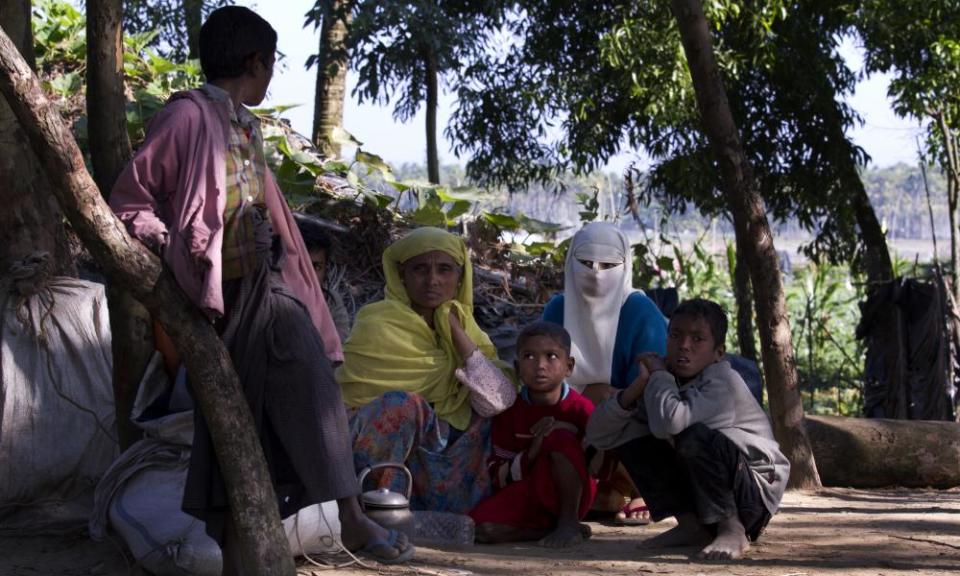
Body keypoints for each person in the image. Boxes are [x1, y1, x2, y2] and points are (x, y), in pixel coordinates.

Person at [108, 6, 413, 569]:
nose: (272, 76)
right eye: (271, 65)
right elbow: (130, 201)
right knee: (235, 425)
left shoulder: (245, 125)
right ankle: (249, 546)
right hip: (219, 299)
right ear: (254, 62)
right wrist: (173, 244)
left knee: (310, 380)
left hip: (264, 288)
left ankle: (347, 514)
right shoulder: (186, 118)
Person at [586, 299, 790, 560]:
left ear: (718, 352)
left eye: (697, 339)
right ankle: (690, 526)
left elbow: (670, 423)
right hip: (706, 498)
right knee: (630, 433)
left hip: (752, 499)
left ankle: (732, 529)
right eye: (675, 335)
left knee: (691, 433)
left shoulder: (723, 382)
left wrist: (658, 376)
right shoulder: (664, 381)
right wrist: (637, 387)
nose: (684, 345)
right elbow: (599, 434)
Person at [337, 226, 516, 513]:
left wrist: (454, 329)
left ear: (459, 278)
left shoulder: (467, 327)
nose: (432, 280)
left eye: (445, 270)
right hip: (371, 452)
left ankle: (453, 508)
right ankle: (377, 510)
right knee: (403, 405)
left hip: (436, 448)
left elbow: (499, 399)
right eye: (420, 269)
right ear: (402, 277)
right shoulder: (377, 322)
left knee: (489, 408)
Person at [542, 221, 667, 525]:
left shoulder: (640, 313)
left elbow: (654, 383)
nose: (596, 273)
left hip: (629, 415)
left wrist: (609, 398)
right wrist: (585, 396)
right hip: (564, 409)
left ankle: (643, 488)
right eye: (586, 263)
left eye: (608, 265)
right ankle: (597, 490)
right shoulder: (557, 309)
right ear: (571, 261)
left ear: (624, 266)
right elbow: (540, 369)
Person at [470, 322, 596, 548]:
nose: (540, 365)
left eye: (551, 356)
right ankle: (543, 530)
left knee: (559, 438)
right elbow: (498, 474)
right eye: (529, 357)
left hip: (574, 498)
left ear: (569, 366)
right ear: (517, 368)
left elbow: (599, 467)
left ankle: (568, 522)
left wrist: (573, 436)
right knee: (480, 528)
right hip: (530, 490)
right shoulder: (510, 411)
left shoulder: (581, 409)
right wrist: (534, 451)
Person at [295, 215, 351, 343]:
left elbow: (339, 343)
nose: (308, 274)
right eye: (300, 265)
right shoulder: (272, 300)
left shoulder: (332, 301)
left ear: (326, 269)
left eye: (316, 267)